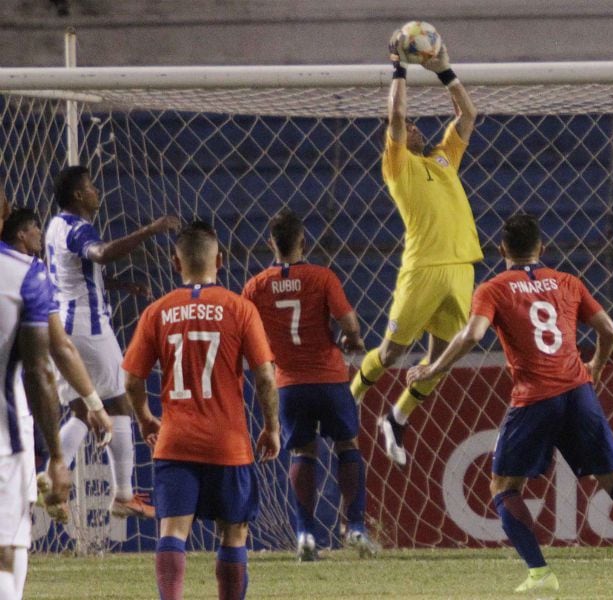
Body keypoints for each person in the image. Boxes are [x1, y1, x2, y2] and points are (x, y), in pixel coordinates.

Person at [408, 214, 613, 594]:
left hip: (534, 397)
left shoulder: (493, 288)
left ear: (502, 250)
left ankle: (540, 573)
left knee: (503, 486)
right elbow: (609, 330)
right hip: (578, 391)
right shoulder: (569, 282)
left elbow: (473, 334)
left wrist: (433, 366)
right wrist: (596, 367)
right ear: (542, 248)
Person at [122, 221, 280, 600]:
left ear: (176, 263)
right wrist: (272, 426)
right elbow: (265, 378)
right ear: (220, 261)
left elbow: (130, 379)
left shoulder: (157, 312)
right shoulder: (240, 309)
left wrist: (145, 417)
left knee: (172, 531)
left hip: (175, 443)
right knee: (233, 532)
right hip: (228, 444)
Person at [349, 30, 482, 467]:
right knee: (390, 355)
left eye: (415, 124)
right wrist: (399, 69)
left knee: (440, 361)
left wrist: (444, 70)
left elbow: (468, 115)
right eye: (408, 126)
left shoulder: (443, 159)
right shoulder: (398, 165)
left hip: (462, 267)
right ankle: (347, 402)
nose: (414, 126)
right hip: (422, 268)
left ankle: (397, 418)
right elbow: (395, 116)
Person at [242, 209, 377, 561]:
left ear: (271, 243)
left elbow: (242, 331)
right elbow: (348, 322)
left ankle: (305, 535)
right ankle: (357, 528)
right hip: (329, 379)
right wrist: (353, 340)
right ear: (303, 240)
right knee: (348, 444)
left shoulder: (256, 285)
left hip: (288, 384)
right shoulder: (322, 277)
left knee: (303, 452)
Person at [45, 165, 178, 519]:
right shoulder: (78, 228)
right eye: (90, 187)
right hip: (89, 329)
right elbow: (100, 254)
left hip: (63, 325)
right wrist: (151, 229)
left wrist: (117, 286)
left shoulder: (54, 226)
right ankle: (123, 494)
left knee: (82, 410)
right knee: (119, 403)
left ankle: (47, 477)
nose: (96, 192)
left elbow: (74, 273)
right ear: (78, 195)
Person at [2, 207, 113, 516]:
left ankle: (37, 481)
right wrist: (95, 406)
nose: (39, 232)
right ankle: (42, 480)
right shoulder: (29, 272)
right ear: (21, 233)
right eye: (35, 227)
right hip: (10, 409)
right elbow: (55, 353)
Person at [0, 190, 71, 600]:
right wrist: (58, 456)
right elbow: (40, 367)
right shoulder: (25, 273)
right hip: (4, 441)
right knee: (6, 556)